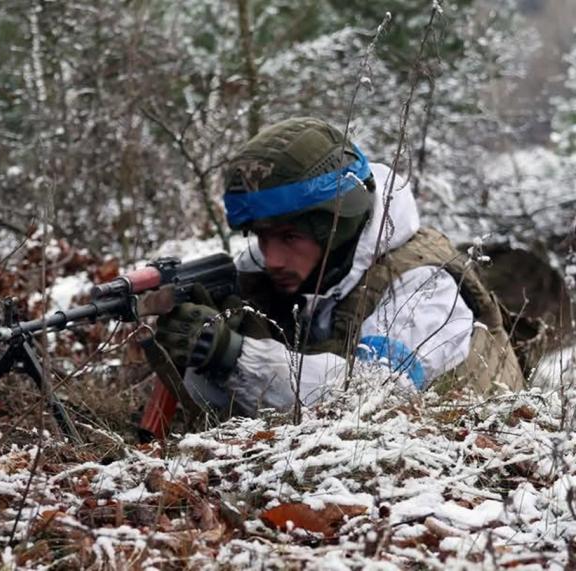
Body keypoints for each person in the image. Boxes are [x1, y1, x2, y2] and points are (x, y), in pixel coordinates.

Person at [153, 117, 525, 417]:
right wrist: (197, 344)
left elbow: (371, 398)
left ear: (336, 225)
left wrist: (233, 353)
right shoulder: (272, 267)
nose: (272, 258)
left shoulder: (423, 286)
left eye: (289, 237)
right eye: (261, 236)